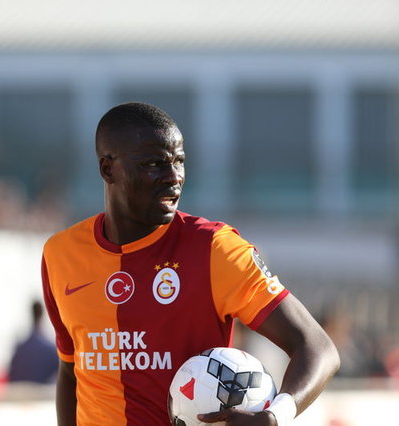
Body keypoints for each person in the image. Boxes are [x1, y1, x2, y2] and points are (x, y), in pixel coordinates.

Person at [41, 102, 340, 425]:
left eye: (179, 162)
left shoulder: (215, 249)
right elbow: (70, 371)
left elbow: (318, 347)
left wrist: (274, 415)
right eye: (154, 164)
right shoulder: (61, 254)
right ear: (107, 169)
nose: (174, 177)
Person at [7, 300, 59, 383]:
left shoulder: (20, 349)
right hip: (42, 390)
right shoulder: (51, 350)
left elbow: (11, 375)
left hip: (20, 389)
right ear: (42, 314)